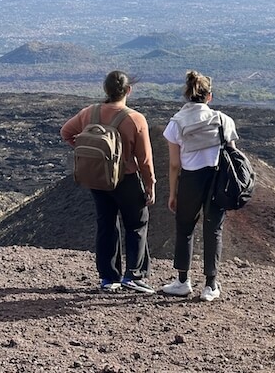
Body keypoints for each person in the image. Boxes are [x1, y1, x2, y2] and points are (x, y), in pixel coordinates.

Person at [60, 70, 156, 294]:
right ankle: (134, 275)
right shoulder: (134, 118)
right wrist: (150, 184)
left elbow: (66, 132)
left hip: (98, 179)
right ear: (128, 90)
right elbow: (145, 159)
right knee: (137, 225)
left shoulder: (88, 113)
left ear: (105, 90)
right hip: (127, 179)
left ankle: (108, 277)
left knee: (106, 225)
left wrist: (92, 157)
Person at [161, 70, 239, 302]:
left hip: (190, 180)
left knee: (185, 228)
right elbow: (233, 155)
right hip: (217, 180)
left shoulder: (176, 123)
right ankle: (210, 285)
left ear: (186, 95)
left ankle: (183, 281)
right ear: (209, 97)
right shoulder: (224, 120)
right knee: (213, 229)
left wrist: (173, 193)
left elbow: (175, 164)